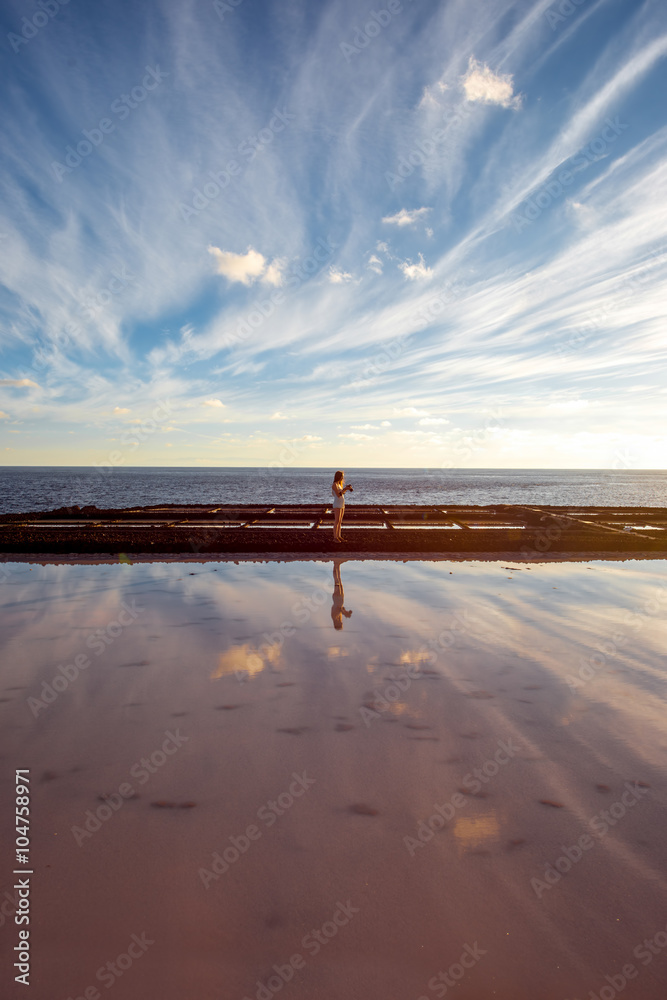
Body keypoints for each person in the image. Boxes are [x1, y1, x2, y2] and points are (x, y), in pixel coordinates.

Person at [331, 470, 353, 542]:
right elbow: (338, 495)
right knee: (336, 521)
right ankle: (335, 537)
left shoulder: (339, 484)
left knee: (340, 521)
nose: (342, 478)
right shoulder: (334, 485)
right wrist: (345, 489)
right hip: (337, 504)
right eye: (342, 477)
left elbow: (342, 493)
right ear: (339, 477)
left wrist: (346, 489)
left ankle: (339, 536)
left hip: (341, 503)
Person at [331, 559, 353, 630]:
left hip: (337, 598)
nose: (341, 622)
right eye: (341, 623)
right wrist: (346, 613)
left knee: (336, 580)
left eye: (340, 624)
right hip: (340, 598)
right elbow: (341, 609)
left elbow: (339, 609)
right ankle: (338, 565)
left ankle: (335, 564)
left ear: (337, 624)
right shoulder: (338, 617)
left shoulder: (334, 617)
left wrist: (345, 613)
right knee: (339, 579)